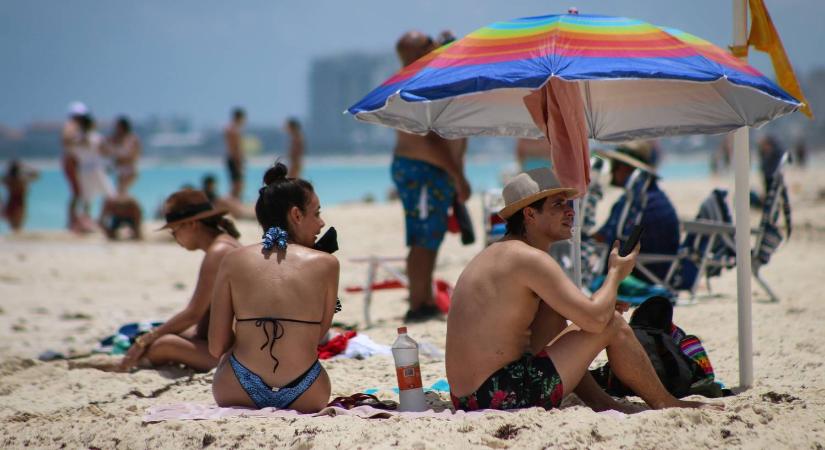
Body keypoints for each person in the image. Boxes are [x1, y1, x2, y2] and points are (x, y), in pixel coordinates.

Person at [446, 168, 719, 412]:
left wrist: (599, 304)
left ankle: (601, 402)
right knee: (611, 323)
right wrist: (615, 274)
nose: (570, 211)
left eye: (568, 204)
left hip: (468, 397)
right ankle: (665, 402)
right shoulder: (530, 259)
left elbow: (576, 312)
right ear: (530, 214)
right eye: (558, 204)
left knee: (552, 314)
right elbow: (596, 320)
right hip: (500, 394)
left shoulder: (500, 253)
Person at [209, 162, 338, 412]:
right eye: (316, 213)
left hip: (235, 386)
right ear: (296, 215)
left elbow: (216, 346)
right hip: (308, 390)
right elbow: (318, 336)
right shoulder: (327, 263)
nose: (322, 223)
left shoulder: (233, 260)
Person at [391, 31, 471, 322]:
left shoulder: (421, 79)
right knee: (423, 238)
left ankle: (423, 298)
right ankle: (418, 303)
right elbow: (430, 141)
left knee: (430, 236)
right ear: (415, 52)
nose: (434, 44)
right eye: (428, 43)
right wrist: (458, 175)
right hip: (422, 168)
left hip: (428, 169)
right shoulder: (415, 84)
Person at [117, 189, 242, 371]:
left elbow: (193, 314)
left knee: (162, 345)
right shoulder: (226, 244)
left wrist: (144, 340)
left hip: (238, 357)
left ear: (192, 224)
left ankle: (134, 363)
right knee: (170, 335)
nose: (175, 238)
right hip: (236, 346)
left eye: (174, 231)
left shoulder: (218, 252)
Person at [593, 142, 679, 284]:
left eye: (615, 165)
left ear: (627, 169)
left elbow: (609, 237)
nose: (611, 171)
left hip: (643, 275)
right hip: (658, 270)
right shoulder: (650, 197)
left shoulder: (638, 203)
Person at [73, 114, 115, 229]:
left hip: (82, 169)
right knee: (109, 194)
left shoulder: (77, 138)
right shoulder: (95, 137)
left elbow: (75, 155)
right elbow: (105, 151)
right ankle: (102, 220)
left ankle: (86, 223)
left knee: (87, 198)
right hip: (96, 169)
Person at [61, 102, 86, 229]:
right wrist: (79, 141)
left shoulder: (74, 125)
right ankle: (72, 221)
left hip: (72, 160)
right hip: (70, 160)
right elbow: (66, 140)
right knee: (77, 191)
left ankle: (74, 220)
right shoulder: (71, 125)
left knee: (78, 191)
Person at [106, 116, 141, 194]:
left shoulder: (132, 139)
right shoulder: (116, 139)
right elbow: (105, 149)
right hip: (121, 170)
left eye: (118, 126)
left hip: (130, 170)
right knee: (120, 193)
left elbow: (134, 156)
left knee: (120, 191)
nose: (116, 129)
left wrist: (119, 160)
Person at [2, 160, 39, 232]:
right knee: (17, 228)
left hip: (10, 204)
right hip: (20, 205)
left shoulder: (8, 180)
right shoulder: (22, 180)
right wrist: (24, 166)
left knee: (14, 228)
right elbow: (36, 175)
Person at [224, 107, 246, 200]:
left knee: (235, 184)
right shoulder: (234, 130)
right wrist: (239, 162)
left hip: (231, 157)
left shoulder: (229, 128)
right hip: (234, 158)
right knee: (238, 185)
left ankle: (233, 202)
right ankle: (234, 202)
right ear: (239, 117)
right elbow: (235, 148)